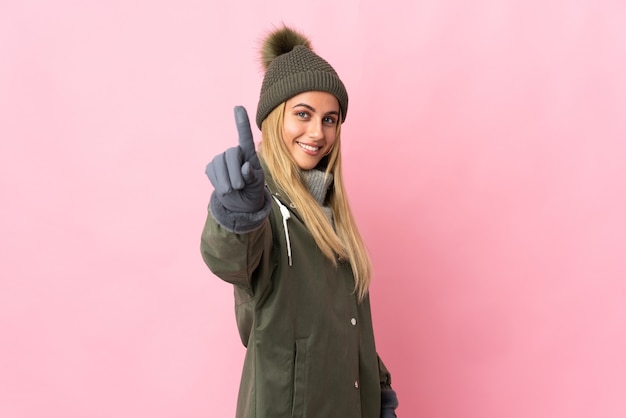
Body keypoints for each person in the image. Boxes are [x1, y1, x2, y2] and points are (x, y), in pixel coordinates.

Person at [200, 25, 399, 418]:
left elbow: (348, 323)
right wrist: (237, 213)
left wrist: (380, 394)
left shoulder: (331, 212)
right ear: (276, 118)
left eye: (330, 119)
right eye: (303, 114)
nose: (317, 132)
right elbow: (229, 260)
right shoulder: (262, 207)